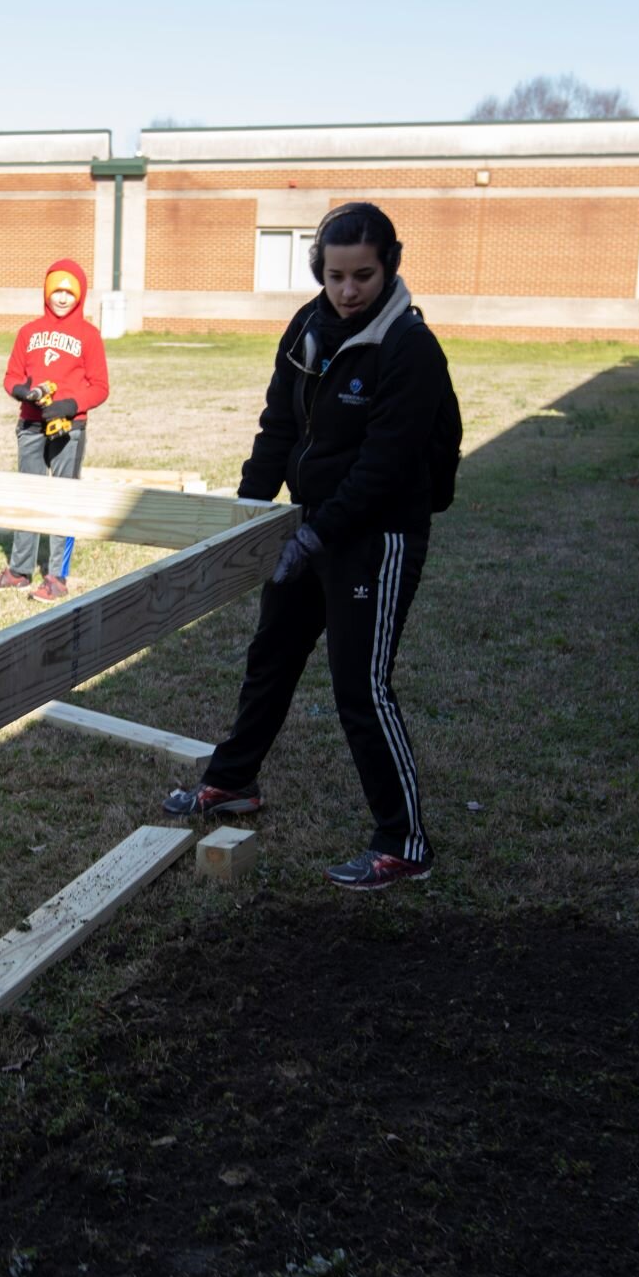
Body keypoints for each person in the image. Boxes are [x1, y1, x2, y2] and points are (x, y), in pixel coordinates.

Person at [161, 202, 461, 892]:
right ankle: (232, 782)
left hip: (373, 537)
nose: (348, 291)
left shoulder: (407, 347)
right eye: (335, 276)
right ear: (317, 271)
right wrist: (246, 513)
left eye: (363, 275)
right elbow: (277, 427)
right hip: (305, 531)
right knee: (270, 656)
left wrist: (319, 532)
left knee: (361, 688)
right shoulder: (306, 326)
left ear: (390, 266)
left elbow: (385, 464)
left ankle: (402, 841)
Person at [0, 258, 109, 602]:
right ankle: (19, 571)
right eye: (56, 291)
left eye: (69, 292)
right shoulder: (28, 332)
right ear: (46, 292)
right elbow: (11, 376)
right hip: (31, 425)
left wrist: (70, 405)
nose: (62, 298)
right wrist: (21, 391)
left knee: (64, 498)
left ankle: (56, 576)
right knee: (27, 495)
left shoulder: (89, 335)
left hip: (69, 429)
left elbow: (100, 386)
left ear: (79, 295)